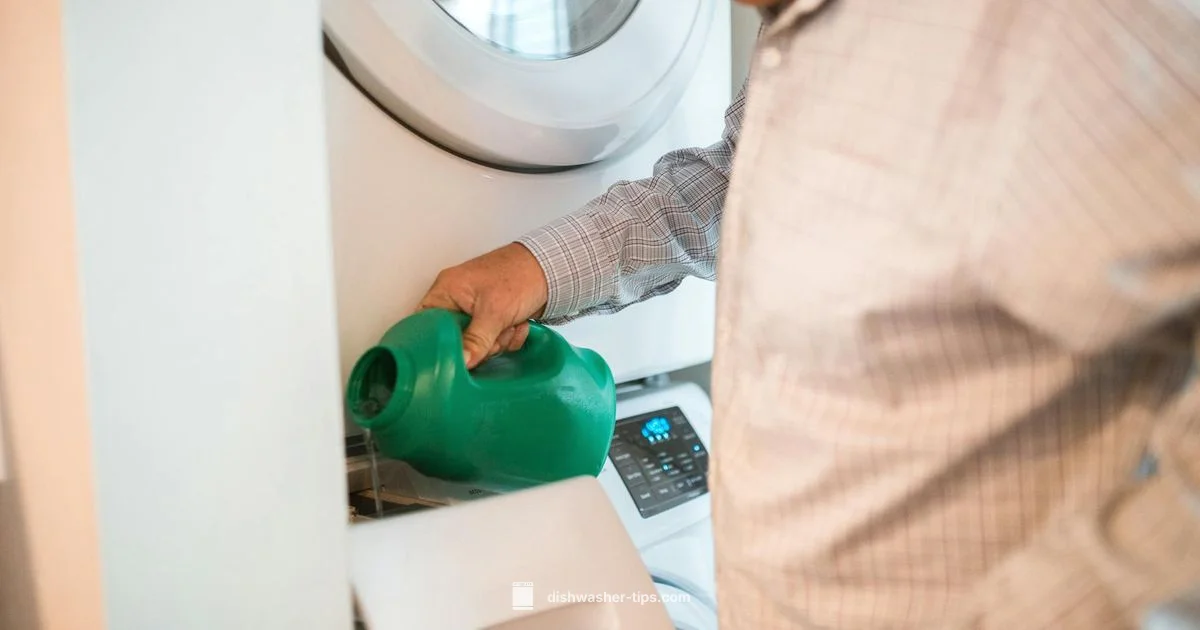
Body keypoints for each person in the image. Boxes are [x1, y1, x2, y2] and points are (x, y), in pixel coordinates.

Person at [420, 0, 1200, 628]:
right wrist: (536, 268)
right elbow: (738, 179)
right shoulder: (804, 36)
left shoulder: (1043, 31)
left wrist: (1077, 609)